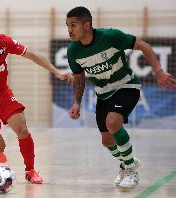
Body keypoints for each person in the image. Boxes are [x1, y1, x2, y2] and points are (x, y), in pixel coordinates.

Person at [66, 6, 176, 189]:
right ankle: (128, 161)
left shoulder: (110, 37)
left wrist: (158, 71)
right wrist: (76, 103)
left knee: (113, 122)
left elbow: (143, 45)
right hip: (103, 94)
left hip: (126, 86)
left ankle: (132, 171)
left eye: (73, 25)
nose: (69, 30)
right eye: (67, 26)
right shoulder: (73, 51)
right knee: (107, 141)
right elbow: (79, 79)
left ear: (87, 25)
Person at [0, 13, 70, 184]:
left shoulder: (3, 42)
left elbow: (32, 55)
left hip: (2, 95)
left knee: (22, 127)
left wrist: (56, 72)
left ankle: (30, 170)